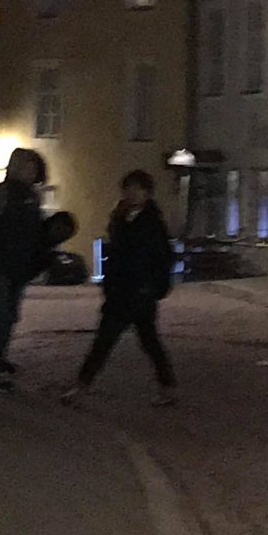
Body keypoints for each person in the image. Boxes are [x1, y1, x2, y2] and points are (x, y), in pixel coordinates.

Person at [61, 170, 177, 405]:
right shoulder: (120, 218)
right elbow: (116, 254)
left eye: (137, 189)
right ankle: (82, 387)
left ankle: (167, 387)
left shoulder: (152, 222)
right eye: (129, 188)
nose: (132, 193)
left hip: (140, 292)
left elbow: (163, 258)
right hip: (121, 291)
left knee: (145, 342)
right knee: (109, 341)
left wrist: (154, 287)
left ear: (146, 193)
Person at [0, 147, 48, 390]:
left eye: (34, 168)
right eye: (28, 167)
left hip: (20, 266)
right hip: (1, 265)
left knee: (9, 315)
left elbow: (34, 232)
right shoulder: (0, 194)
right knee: (2, 315)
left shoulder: (32, 197)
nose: (32, 172)